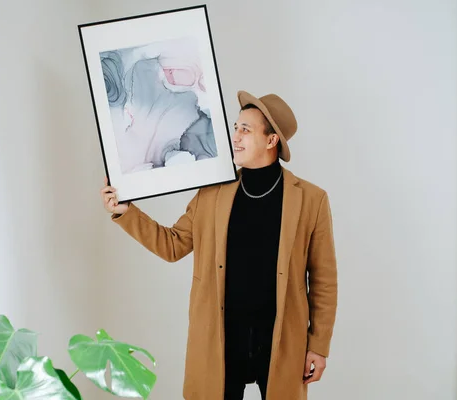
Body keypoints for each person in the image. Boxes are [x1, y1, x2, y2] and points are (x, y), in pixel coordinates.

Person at [100, 90, 338, 400]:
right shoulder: (213, 193)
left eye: (245, 130)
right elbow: (173, 246)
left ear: (271, 141)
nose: (234, 136)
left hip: (281, 340)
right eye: (236, 127)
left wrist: (318, 346)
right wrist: (126, 213)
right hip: (221, 337)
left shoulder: (310, 200)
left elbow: (324, 282)